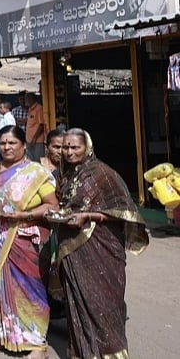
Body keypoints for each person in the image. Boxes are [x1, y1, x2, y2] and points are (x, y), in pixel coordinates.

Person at [55, 128, 148, 359]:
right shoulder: (66, 175)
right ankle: (83, 352)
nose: (69, 152)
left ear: (87, 147)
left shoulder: (103, 173)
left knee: (104, 303)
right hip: (72, 246)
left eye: (75, 147)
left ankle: (110, 353)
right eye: (65, 147)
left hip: (101, 246)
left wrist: (88, 216)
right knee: (77, 300)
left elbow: (124, 210)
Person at [0, 125, 58, 359]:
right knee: (1, 287)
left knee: (30, 289)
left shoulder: (35, 172)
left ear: (23, 145)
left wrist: (23, 215)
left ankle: (37, 344)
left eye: (12, 143)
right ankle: (7, 337)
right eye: (2, 143)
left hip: (24, 237)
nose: (6, 147)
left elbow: (52, 205)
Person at [24, 94, 46, 161]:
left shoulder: (39, 108)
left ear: (31, 99)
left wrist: (34, 138)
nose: (25, 101)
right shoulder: (30, 109)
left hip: (37, 141)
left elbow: (41, 125)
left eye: (26, 99)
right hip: (29, 141)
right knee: (30, 161)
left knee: (38, 160)